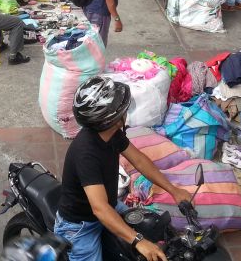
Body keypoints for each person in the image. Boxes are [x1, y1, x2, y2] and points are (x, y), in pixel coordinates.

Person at [55, 76, 193, 261]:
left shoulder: (112, 134)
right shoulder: (85, 153)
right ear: (111, 118)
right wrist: (139, 241)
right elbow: (100, 208)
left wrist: (173, 190)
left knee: (154, 227)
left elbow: (140, 161)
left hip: (110, 206)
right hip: (80, 225)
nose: (126, 111)